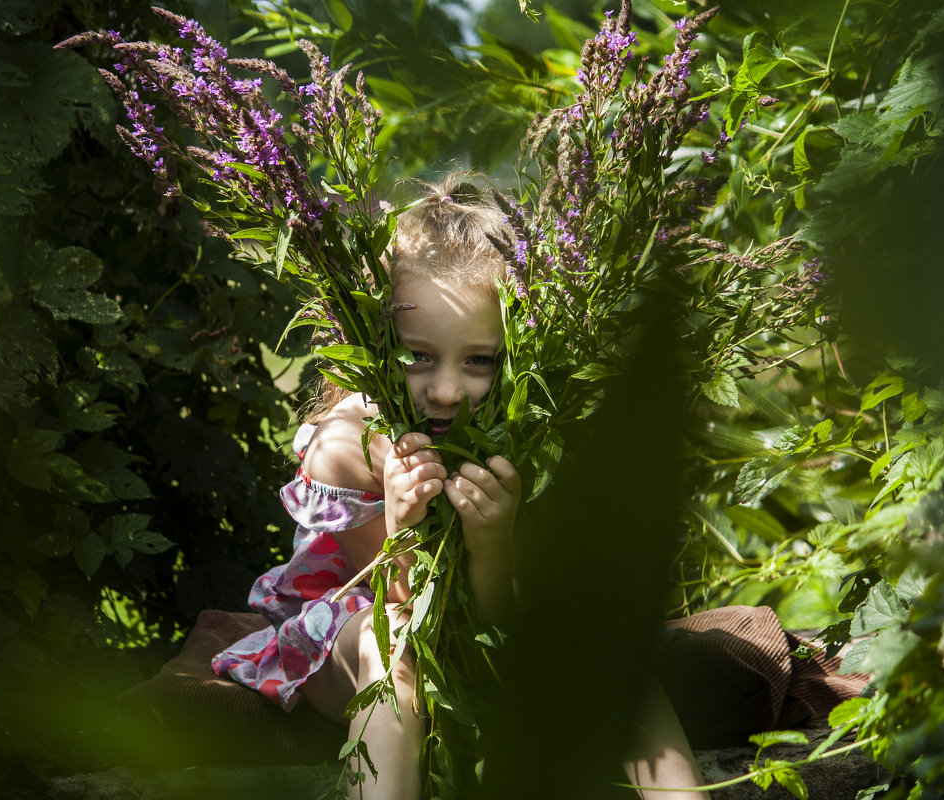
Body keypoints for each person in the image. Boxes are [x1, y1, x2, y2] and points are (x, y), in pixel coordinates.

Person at [211, 179, 709, 800]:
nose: (446, 390)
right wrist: (400, 525)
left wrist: (493, 541)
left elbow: (505, 616)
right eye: (417, 356)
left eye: (479, 361)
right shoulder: (348, 447)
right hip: (359, 637)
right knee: (394, 669)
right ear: (377, 341)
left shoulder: (526, 431)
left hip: (492, 633)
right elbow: (405, 616)